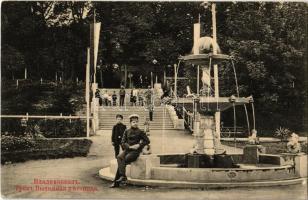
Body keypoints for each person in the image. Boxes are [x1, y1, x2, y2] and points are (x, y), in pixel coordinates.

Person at [110, 114, 150, 188]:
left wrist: (139, 145)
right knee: (119, 157)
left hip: (135, 152)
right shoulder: (127, 131)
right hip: (128, 150)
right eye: (133, 122)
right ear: (130, 123)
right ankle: (122, 176)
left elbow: (147, 141)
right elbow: (123, 142)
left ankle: (117, 181)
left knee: (125, 160)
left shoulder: (140, 132)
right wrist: (129, 146)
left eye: (136, 122)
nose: (135, 123)